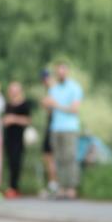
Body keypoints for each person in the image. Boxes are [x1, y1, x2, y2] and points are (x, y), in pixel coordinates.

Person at [41, 61, 84, 199]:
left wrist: (56, 105)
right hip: (55, 128)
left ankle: (71, 188)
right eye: (58, 71)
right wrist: (46, 105)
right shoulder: (53, 89)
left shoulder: (74, 88)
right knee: (58, 159)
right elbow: (49, 111)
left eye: (63, 70)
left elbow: (74, 109)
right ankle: (62, 187)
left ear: (67, 71)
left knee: (70, 158)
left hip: (69, 128)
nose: (61, 73)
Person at [2, 81, 32, 198]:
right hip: (9, 137)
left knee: (16, 161)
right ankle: (12, 187)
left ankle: (14, 187)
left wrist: (13, 119)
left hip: (19, 137)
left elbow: (28, 120)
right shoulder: (7, 104)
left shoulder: (25, 104)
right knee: (10, 162)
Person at [38, 68, 60, 197]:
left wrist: (46, 104)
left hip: (55, 127)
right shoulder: (50, 90)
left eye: (47, 78)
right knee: (47, 156)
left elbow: (52, 109)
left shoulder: (55, 91)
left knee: (51, 156)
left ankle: (54, 184)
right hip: (51, 125)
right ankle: (53, 184)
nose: (45, 81)